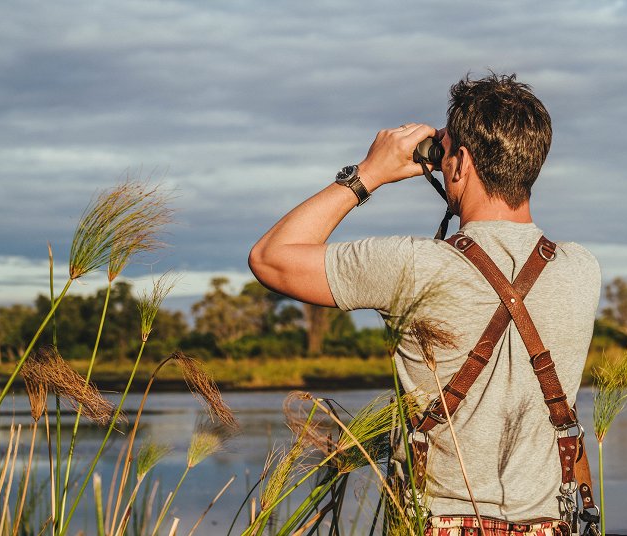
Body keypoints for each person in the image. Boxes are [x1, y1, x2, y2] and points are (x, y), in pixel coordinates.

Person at [249, 73, 601, 533]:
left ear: (460, 164)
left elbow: (270, 258)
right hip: (551, 524)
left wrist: (368, 173)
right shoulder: (581, 269)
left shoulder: (413, 265)